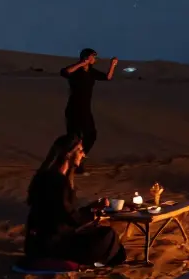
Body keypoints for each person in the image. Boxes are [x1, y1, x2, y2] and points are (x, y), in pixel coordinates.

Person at [24, 134, 125, 267]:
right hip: (52, 245)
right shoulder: (58, 181)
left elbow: (66, 213)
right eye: (80, 150)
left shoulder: (44, 176)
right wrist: (91, 212)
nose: (83, 155)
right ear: (68, 153)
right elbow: (71, 219)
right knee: (108, 235)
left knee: (108, 239)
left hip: (37, 243)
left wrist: (91, 208)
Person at [60, 48, 117, 174]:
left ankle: (79, 159)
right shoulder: (76, 70)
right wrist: (81, 64)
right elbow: (64, 72)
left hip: (85, 109)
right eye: (93, 56)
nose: (95, 59)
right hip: (74, 109)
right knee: (73, 137)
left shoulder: (91, 72)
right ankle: (66, 164)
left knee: (91, 135)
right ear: (86, 57)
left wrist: (112, 65)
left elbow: (107, 77)